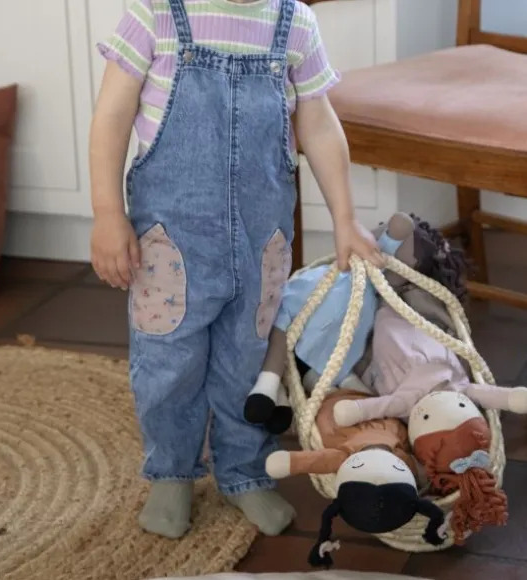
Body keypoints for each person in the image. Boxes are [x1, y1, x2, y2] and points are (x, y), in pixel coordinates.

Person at [89, 0, 384, 540]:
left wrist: (345, 219)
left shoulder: (294, 24)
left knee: (246, 361)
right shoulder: (155, 13)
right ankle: (172, 472)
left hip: (259, 244)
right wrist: (108, 213)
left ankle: (244, 471)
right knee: (167, 364)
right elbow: (111, 116)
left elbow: (319, 125)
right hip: (170, 244)